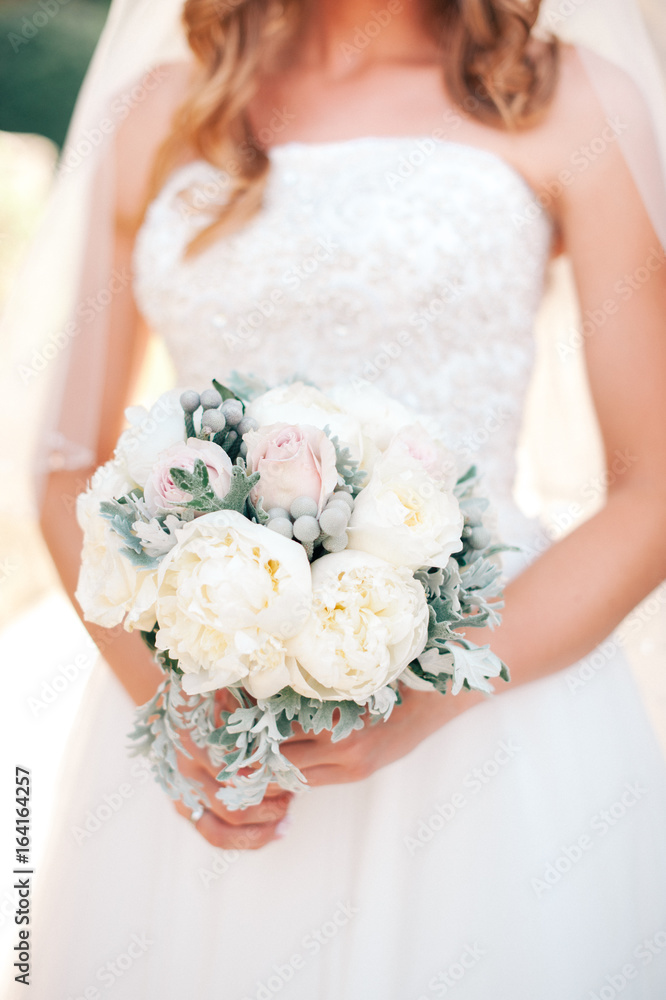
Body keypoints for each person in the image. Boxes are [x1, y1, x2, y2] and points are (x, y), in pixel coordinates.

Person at [5, 0, 666, 996]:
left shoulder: (567, 98)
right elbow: (65, 462)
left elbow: (653, 491)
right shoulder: (159, 110)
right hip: (198, 733)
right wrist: (177, 704)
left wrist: (425, 700)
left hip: (487, 725)